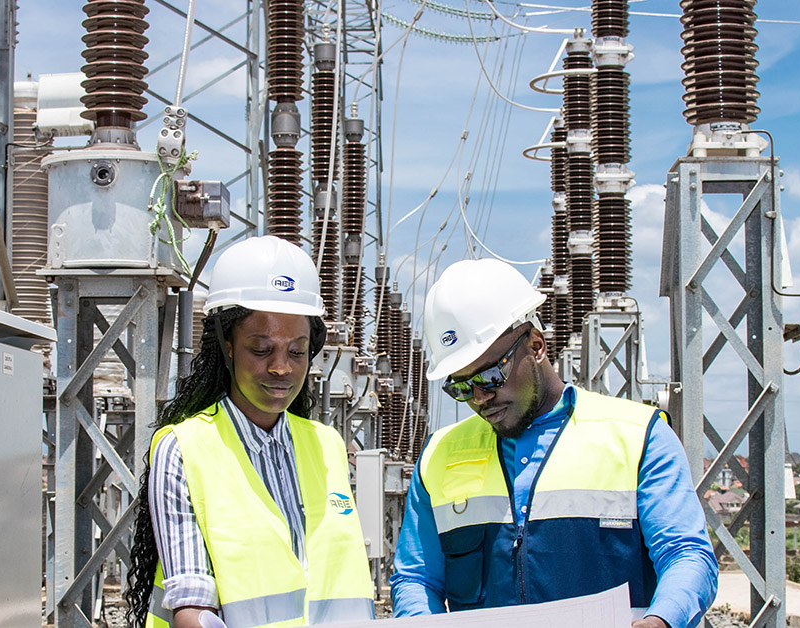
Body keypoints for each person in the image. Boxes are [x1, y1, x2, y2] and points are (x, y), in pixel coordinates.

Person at [390, 258, 717, 628]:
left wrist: (662, 619)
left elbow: (687, 555)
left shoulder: (638, 437)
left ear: (536, 346)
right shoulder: (440, 456)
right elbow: (416, 578)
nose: (479, 398)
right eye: (461, 387)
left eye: (491, 377)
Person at [125, 236, 374, 628]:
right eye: (261, 350)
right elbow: (192, 609)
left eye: (297, 351)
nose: (281, 368)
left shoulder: (328, 446)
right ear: (227, 346)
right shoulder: (184, 450)